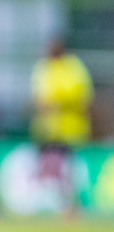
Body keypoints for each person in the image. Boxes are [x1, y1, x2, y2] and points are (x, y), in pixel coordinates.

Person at [31, 37, 93, 204]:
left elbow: (82, 96)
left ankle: (70, 204)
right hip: (48, 130)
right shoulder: (44, 67)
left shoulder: (73, 67)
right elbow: (40, 100)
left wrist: (58, 102)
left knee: (68, 170)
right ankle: (46, 203)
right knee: (47, 169)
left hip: (70, 129)